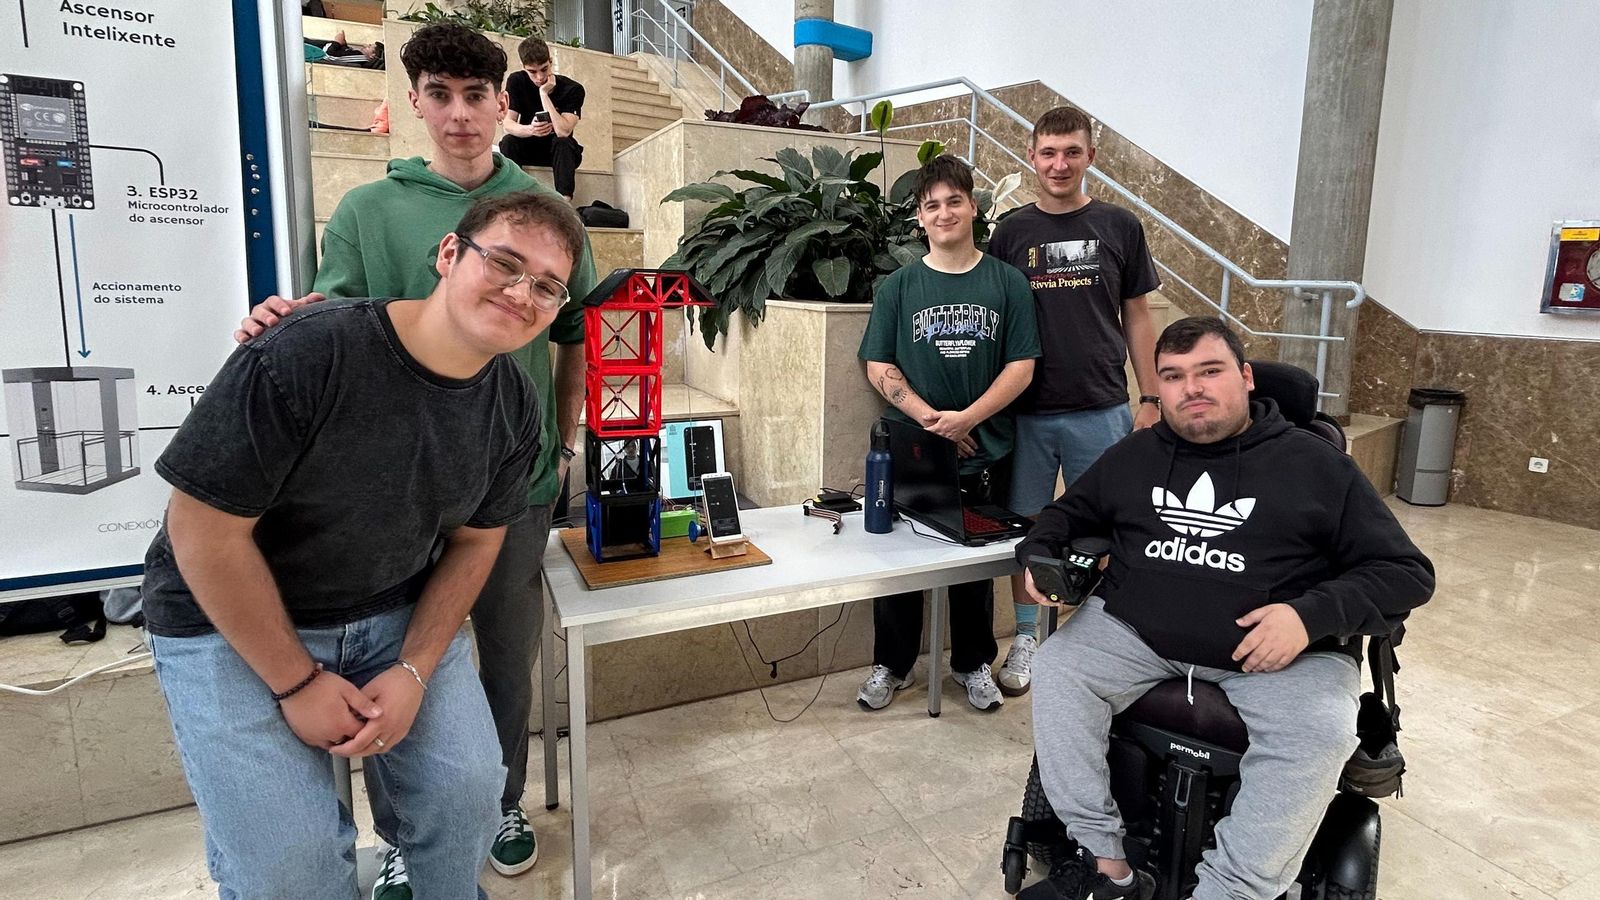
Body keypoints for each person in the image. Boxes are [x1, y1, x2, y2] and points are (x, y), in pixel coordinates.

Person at [236, 22, 598, 897]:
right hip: (399, 487)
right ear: (415, 101)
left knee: (508, 653)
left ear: (501, 101)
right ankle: (406, 832)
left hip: (510, 482)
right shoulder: (371, 210)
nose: (461, 115)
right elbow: (334, 322)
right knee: (395, 666)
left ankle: (501, 798)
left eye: (477, 96)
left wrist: (565, 432)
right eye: (441, 95)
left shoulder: (546, 216)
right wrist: (274, 324)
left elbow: (578, 332)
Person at [143, 191, 586, 900]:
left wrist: (413, 670)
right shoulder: (310, 349)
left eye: (545, 285)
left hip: (387, 608)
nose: (520, 292)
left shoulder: (511, 402)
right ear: (449, 255)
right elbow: (201, 531)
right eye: (504, 262)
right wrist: (296, 680)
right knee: (291, 866)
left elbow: (477, 544)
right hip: (222, 621)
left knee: (468, 792)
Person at [1014, 316, 1435, 900]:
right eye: (1174, 376)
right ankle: (1104, 863)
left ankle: (1232, 890)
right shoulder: (1134, 456)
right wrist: (1040, 555)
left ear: (1244, 377)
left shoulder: (1316, 467)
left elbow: (1406, 573)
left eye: (1209, 371)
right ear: (1157, 388)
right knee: (1059, 668)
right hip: (1136, 632)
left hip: (1278, 652)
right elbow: (1064, 517)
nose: (1192, 389)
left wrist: (1308, 616)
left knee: (1318, 728)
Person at [986, 105, 1163, 698]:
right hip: (1028, 413)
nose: (1059, 164)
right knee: (1031, 527)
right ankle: (1028, 636)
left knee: (1106, 528)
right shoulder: (1010, 233)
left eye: (1072, 152)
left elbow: (1138, 317)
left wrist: (1152, 397)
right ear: (1031, 157)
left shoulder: (1120, 226)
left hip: (1103, 406)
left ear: (1092, 157)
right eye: (1048, 152)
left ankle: (1096, 636)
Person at [855, 155, 1040, 713]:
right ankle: (892, 663)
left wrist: (968, 419)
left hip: (987, 449)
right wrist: (932, 420)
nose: (944, 213)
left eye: (953, 201)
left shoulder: (1006, 283)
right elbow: (878, 364)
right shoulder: (899, 287)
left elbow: (1022, 365)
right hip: (916, 451)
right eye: (931, 204)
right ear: (919, 218)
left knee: (975, 566)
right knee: (902, 564)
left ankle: (972, 665)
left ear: (973, 207)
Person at [498, 36, 585, 202]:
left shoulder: (572, 89)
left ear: (550, 61)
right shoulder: (517, 81)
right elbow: (508, 125)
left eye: (544, 69)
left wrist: (544, 94)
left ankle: (564, 202)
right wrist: (530, 129)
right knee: (509, 141)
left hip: (558, 152)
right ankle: (509, 200)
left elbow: (563, 131)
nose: (539, 77)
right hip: (528, 145)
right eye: (532, 72)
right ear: (524, 68)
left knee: (564, 143)